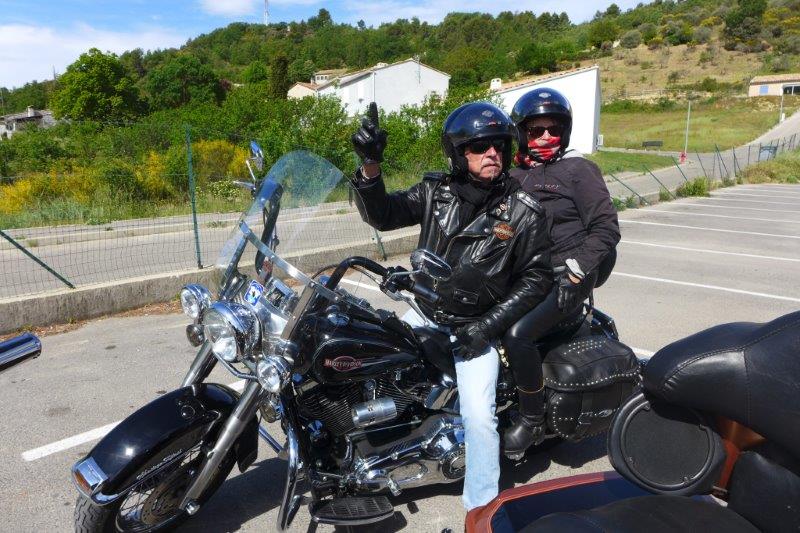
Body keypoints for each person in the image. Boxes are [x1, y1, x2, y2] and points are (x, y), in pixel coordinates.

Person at [350, 101, 552, 510]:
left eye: (498, 146)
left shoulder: (523, 212)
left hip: (475, 328)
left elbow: (537, 279)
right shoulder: (434, 193)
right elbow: (383, 214)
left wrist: (486, 327)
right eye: (479, 147)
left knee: (479, 419)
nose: (491, 153)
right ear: (459, 154)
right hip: (425, 312)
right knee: (365, 362)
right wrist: (370, 166)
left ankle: (481, 508)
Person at [502, 88, 621, 457]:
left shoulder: (578, 171)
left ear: (565, 132)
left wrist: (576, 273)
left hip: (566, 275)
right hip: (527, 275)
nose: (545, 137)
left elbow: (606, 228)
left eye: (553, 130)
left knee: (518, 335)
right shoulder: (512, 175)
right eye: (535, 130)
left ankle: (532, 419)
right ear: (521, 133)